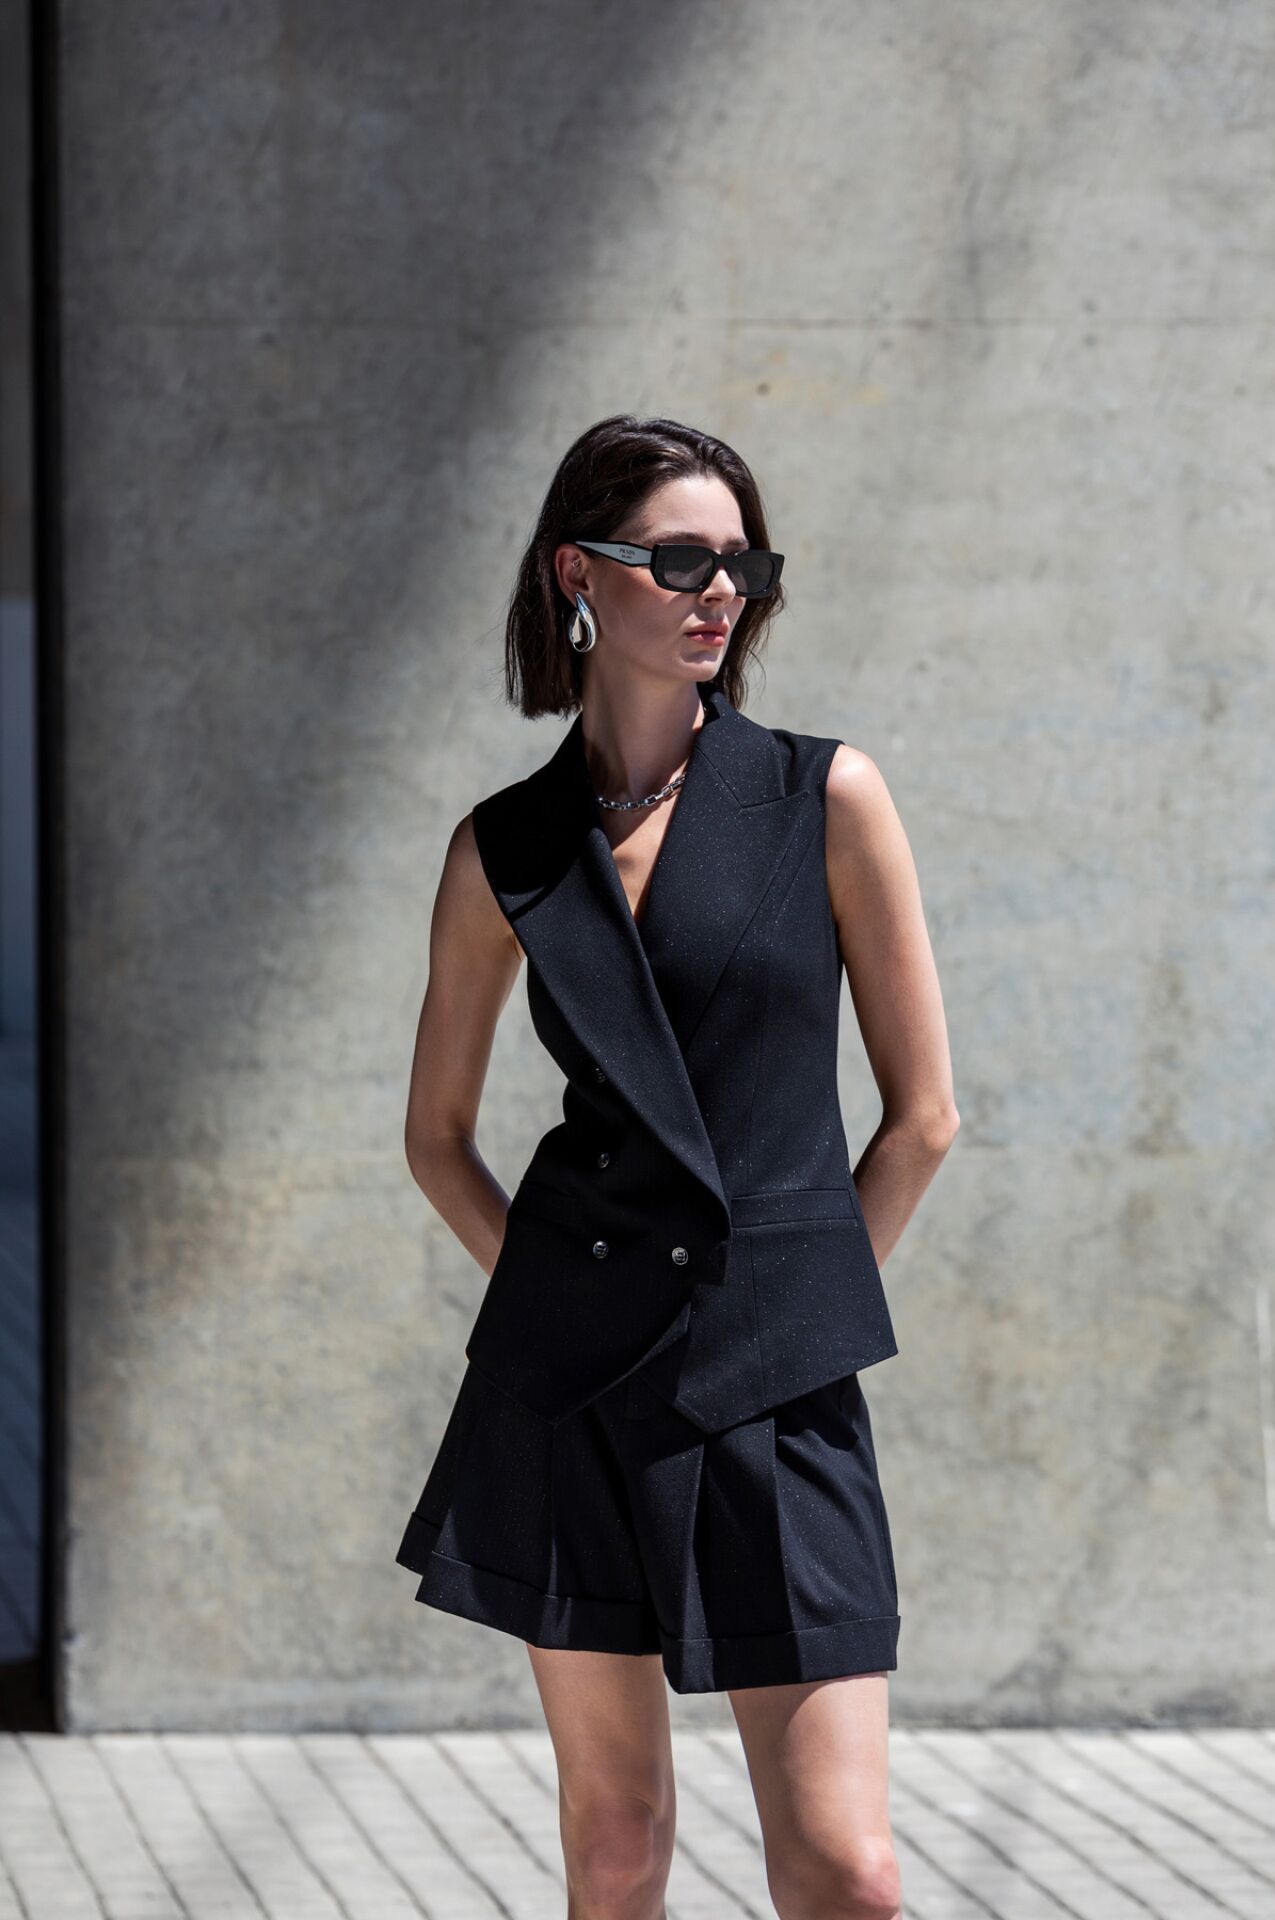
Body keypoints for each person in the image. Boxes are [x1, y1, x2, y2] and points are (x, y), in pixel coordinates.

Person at [396, 413, 958, 1920]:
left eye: (742, 567)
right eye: (683, 561)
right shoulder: (507, 848)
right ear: (578, 573)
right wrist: (563, 1296)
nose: (722, 595)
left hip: (776, 1379)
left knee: (848, 1869)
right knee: (617, 1845)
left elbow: (923, 1119)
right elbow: (436, 1137)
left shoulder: (824, 796)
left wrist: (792, 1310)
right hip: (575, 1385)